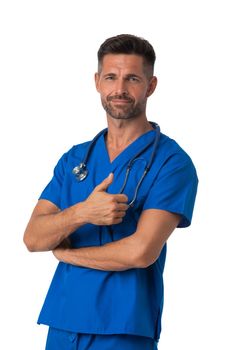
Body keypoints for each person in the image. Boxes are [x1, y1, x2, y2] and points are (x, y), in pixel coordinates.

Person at [23, 34, 198, 350]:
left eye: (132, 78)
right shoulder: (76, 159)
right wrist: (82, 213)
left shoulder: (172, 163)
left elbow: (141, 251)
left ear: (151, 85)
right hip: (62, 323)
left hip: (123, 329)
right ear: (97, 82)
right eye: (111, 77)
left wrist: (66, 253)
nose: (119, 89)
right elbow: (33, 237)